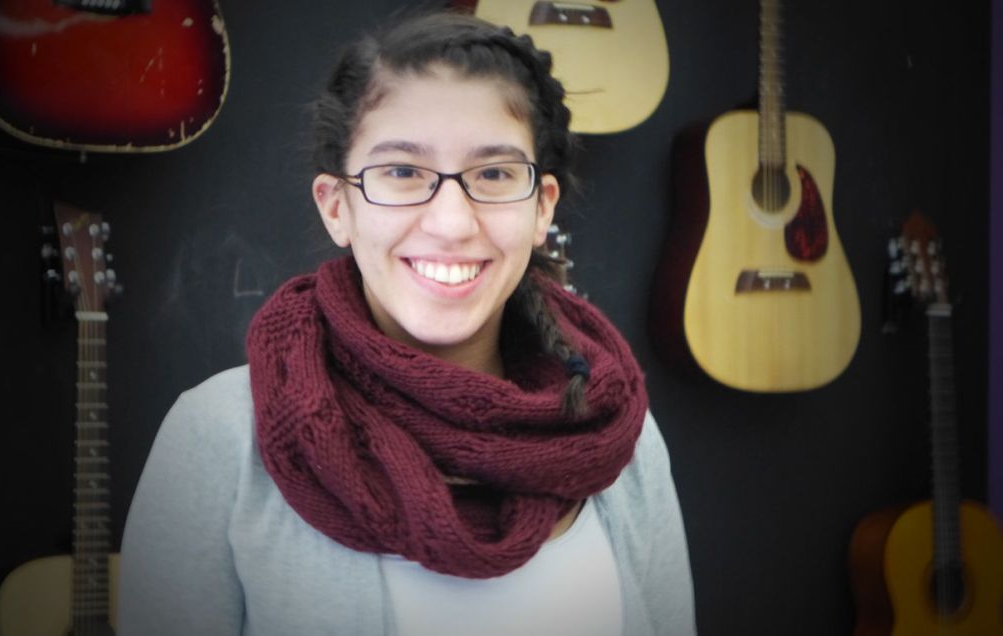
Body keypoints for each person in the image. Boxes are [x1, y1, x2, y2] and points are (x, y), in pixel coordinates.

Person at [118, 9, 696, 636]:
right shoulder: (221, 441)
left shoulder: (617, 432)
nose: (451, 223)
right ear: (337, 207)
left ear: (541, 209)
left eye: (494, 173)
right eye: (400, 172)